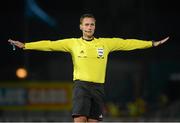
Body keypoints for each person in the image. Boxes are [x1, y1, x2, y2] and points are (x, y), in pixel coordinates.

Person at [8, 13, 169, 122]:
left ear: (95, 26)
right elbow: (50, 45)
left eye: (92, 24)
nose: (89, 27)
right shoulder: (73, 43)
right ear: (81, 27)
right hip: (81, 87)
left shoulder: (105, 43)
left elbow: (127, 43)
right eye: (86, 24)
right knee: (80, 120)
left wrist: (152, 43)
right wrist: (26, 45)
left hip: (98, 88)